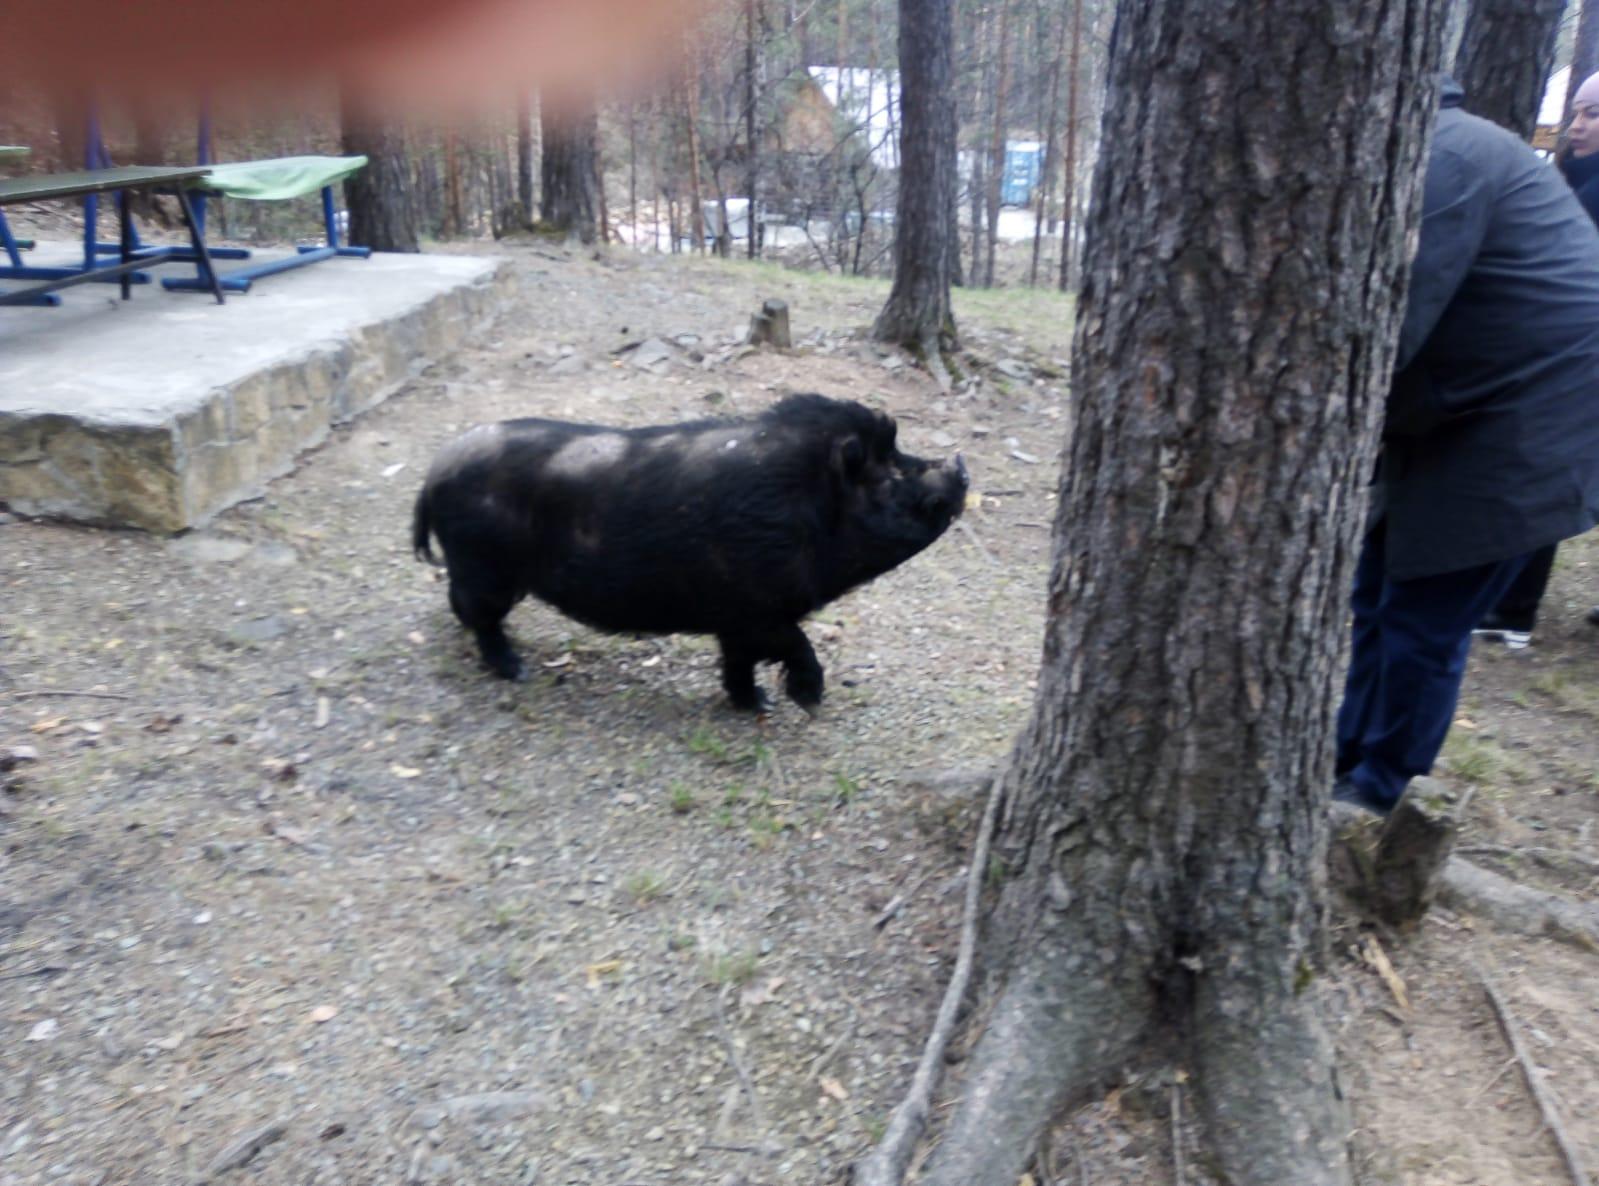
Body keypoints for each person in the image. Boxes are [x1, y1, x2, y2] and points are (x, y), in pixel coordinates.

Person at [1334, 77, 1599, 816]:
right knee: (1378, 595)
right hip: (1470, 414)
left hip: (1523, 428)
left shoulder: (1443, 159)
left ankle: (1377, 790)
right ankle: (1342, 753)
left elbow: (1392, 328)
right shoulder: (1440, 151)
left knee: (1424, 616)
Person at [1473, 69, 1599, 649]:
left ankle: (1510, 608)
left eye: (1592, 114)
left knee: (1540, 470)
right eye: (1576, 111)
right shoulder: (1574, 181)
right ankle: (1507, 605)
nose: (1577, 125)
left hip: (1574, 362)